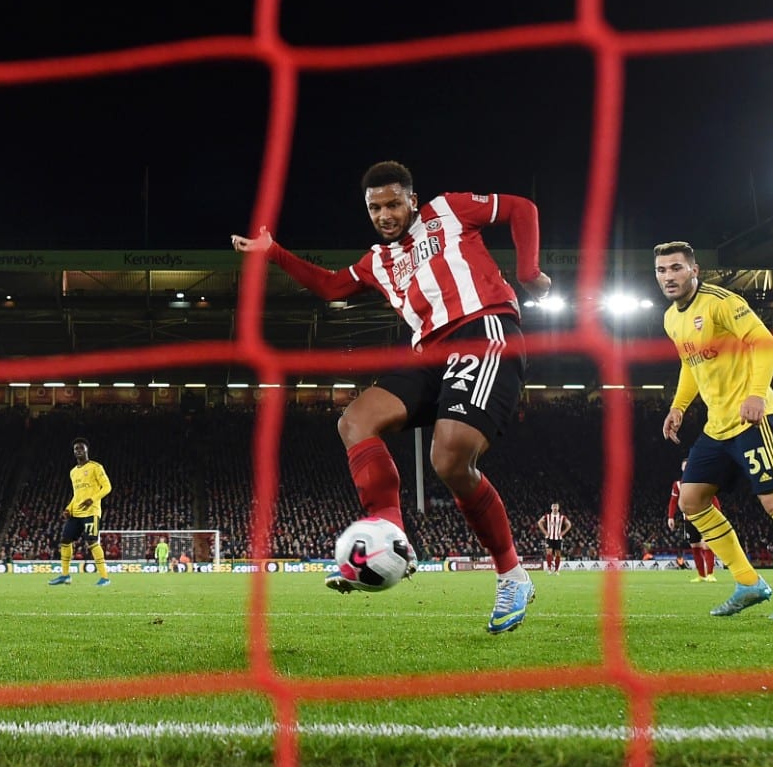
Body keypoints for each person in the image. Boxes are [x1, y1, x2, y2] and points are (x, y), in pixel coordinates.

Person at [234, 160, 550, 632]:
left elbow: (522, 208)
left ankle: (512, 575)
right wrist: (275, 252)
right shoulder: (376, 261)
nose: (384, 215)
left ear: (411, 201)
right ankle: (392, 536)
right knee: (355, 421)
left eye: (393, 204)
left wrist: (528, 271)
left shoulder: (447, 211)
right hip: (428, 353)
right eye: (375, 208)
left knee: (449, 460)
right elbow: (331, 285)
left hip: (482, 330)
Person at [654, 240, 773, 618]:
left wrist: (756, 394)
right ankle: (749, 582)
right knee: (690, 501)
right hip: (717, 426)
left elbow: (765, 342)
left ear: (694, 270)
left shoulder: (720, 302)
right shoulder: (671, 319)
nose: (668, 276)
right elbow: (689, 365)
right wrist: (678, 406)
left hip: (754, 418)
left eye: (676, 268)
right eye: (661, 270)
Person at [48, 438, 111, 587]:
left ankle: (104, 577)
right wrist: (68, 508)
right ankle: (65, 576)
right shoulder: (73, 472)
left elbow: (107, 487)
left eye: (81, 448)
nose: (78, 451)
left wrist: (92, 499)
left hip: (91, 512)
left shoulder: (96, 467)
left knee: (92, 541)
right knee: (65, 541)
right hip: (76, 513)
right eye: (76, 449)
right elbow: (77, 495)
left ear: (87, 450)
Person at [666, 459, 720, 582]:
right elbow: (673, 501)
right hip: (689, 519)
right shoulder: (678, 485)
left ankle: (710, 574)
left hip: (705, 518)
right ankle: (701, 575)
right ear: (682, 469)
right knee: (695, 546)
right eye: (684, 467)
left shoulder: (701, 481)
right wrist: (670, 517)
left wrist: (718, 514)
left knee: (707, 544)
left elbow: (713, 498)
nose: (687, 469)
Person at [538, 503, 570, 574]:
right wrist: (545, 532)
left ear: (558, 508)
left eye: (556, 507)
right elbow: (539, 522)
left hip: (558, 538)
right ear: (551, 508)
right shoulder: (547, 516)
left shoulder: (562, 517)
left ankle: (556, 570)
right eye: (554, 507)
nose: (555, 508)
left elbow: (569, 524)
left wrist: (563, 533)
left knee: (558, 554)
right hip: (549, 538)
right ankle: (549, 569)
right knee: (549, 553)